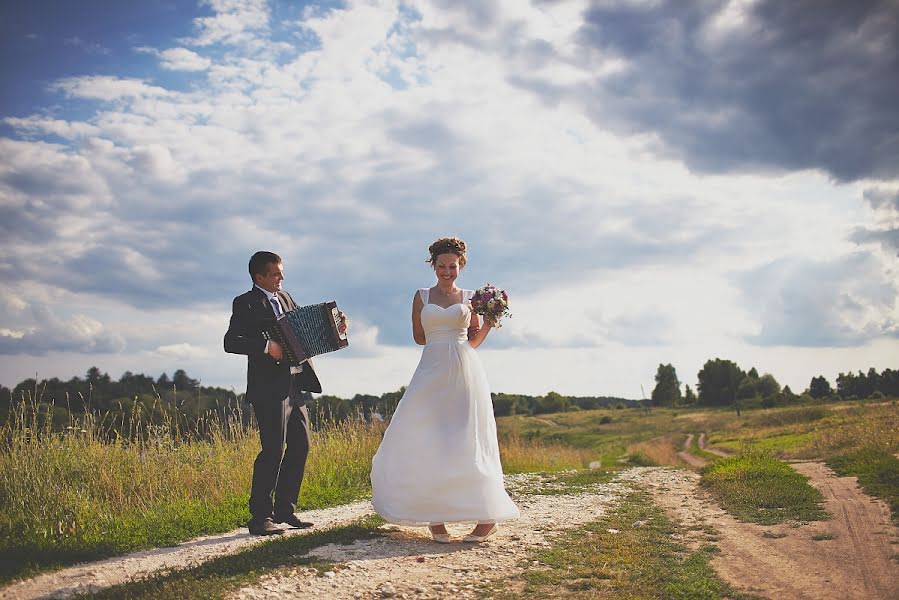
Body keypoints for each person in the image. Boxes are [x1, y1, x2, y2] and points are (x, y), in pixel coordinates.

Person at [370, 237, 519, 543]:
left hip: (464, 371)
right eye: (442, 266)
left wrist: (488, 323)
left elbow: (473, 340)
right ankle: (435, 518)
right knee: (425, 436)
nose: (447, 271)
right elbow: (419, 337)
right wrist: (442, 338)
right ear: (433, 266)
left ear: (460, 266)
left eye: (453, 266)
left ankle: (487, 518)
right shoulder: (421, 296)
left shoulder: (471, 298)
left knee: (466, 439)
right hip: (430, 370)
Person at [224, 251, 348, 536]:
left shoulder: (286, 298)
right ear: (260, 277)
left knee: (301, 446)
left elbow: (308, 326)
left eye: (281, 273)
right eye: (276, 274)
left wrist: (338, 324)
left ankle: (284, 510)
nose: (282, 278)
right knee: (272, 451)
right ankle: (259, 517)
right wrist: (268, 347)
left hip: (295, 385)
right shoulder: (245, 303)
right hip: (268, 388)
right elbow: (231, 341)